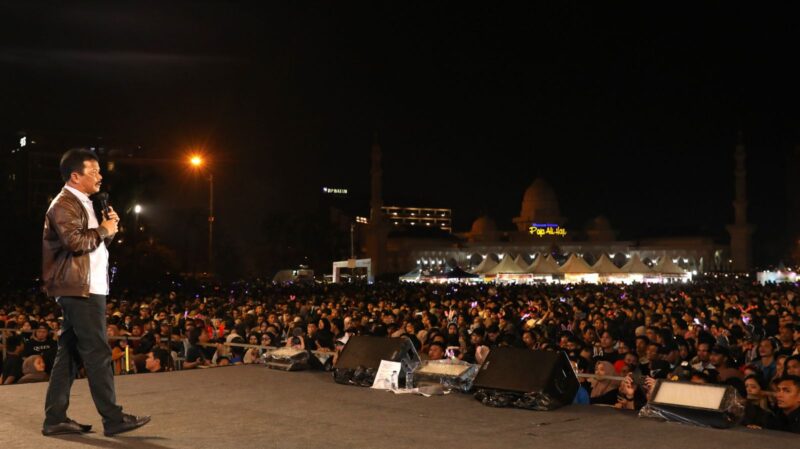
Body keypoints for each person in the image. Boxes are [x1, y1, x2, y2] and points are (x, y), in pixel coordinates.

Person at [41, 148, 149, 437]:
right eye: (94, 171)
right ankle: (113, 418)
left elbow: (91, 248)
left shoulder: (83, 202)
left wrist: (107, 232)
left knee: (70, 353)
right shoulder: (63, 204)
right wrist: (102, 230)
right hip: (80, 289)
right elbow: (75, 242)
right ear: (75, 176)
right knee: (98, 352)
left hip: (86, 285)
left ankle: (55, 418)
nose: (100, 176)